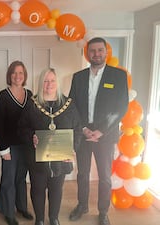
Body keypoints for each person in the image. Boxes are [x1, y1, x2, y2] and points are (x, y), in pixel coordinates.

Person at [68, 37, 129, 225]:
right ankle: (82, 205)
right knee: (82, 174)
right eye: (92, 51)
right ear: (88, 54)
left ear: (106, 52)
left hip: (105, 136)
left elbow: (121, 107)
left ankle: (103, 212)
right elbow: (72, 106)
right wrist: (84, 129)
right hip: (83, 134)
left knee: (104, 177)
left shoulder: (118, 76)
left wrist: (101, 131)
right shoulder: (78, 77)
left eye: (100, 50)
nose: (96, 54)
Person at [18, 68, 82, 225]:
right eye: (46, 81)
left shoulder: (69, 104)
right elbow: (21, 128)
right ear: (41, 83)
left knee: (56, 190)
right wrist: (30, 136)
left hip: (61, 158)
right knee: (38, 189)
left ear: (57, 82)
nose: (49, 84)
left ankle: (54, 218)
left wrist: (73, 147)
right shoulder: (32, 104)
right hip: (37, 159)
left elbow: (78, 129)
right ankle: (39, 219)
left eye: (52, 80)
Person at [0, 60, 34, 225]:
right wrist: (3, 149)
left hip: (26, 146)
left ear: (24, 75)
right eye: (14, 72)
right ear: (9, 75)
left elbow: (34, 120)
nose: (18, 76)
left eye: (21, 73)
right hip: (9, 146)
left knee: (21, 178)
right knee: (8, 179)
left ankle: (21, 207)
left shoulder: (30, 95)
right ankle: (8, 211)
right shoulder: (3, 95)